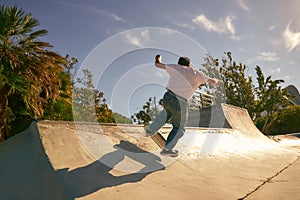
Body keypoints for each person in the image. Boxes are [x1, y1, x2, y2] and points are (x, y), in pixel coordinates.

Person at [145, 55, 221, 157]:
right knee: (179, 128)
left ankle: (151, 129)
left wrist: (158, 58)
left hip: (168, 97)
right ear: (189, 65)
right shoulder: (196, 73)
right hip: (180, 102)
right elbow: (212, 81)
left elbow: (157, 65)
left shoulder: (175, 68)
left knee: (166, 112)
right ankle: (168, 148)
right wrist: (217, 81)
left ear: (179, 63)